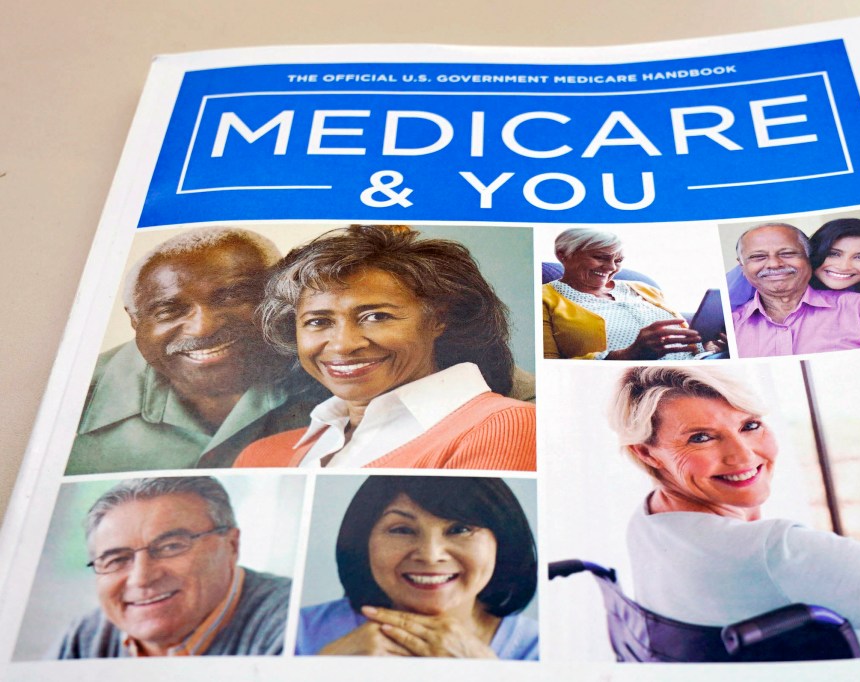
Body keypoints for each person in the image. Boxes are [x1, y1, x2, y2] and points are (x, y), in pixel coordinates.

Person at [609, 366, 860, 656]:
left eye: (750, 425)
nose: (743, 455)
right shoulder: (775, 549)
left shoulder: (648, 519)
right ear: (646, 453)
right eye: (700, 438)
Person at [233, 225, 535, 470]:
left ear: (439, 319)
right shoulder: (261, 455)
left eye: (376, 316)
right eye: (318, 321)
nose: (343, 344)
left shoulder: (503, 425)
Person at [65, 227, 328, 474]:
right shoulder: (70, 399)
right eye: (169, 310)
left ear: (284, 298)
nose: (203, 328)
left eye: (232, 297)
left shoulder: (337, 369)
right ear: (135, 320)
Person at [296, 476, 538, 659]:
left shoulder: (541, 646)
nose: (431, 556)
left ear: (503, 540)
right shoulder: (296, 631)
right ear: (362, 542)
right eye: (402, 530)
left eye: (460, 529)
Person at [50, 477, 291, 658]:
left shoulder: (291, 622)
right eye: (117, 560)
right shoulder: (88, 634)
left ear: (231, 545)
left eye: (171, 547)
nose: (141, 578)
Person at [731, 223, 860, 357]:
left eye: (787, 253)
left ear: (808, 258)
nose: (843, 266)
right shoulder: (732, 321)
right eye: (758, 256)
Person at [542, 227, 705, 360]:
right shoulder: (544, 298)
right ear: (563, 254)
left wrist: (709, 347)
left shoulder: (644, 288)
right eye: (600, 257)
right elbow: (548, 365)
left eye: (618, 261)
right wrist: (628, 354)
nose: (612, 267)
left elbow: (685, 333)